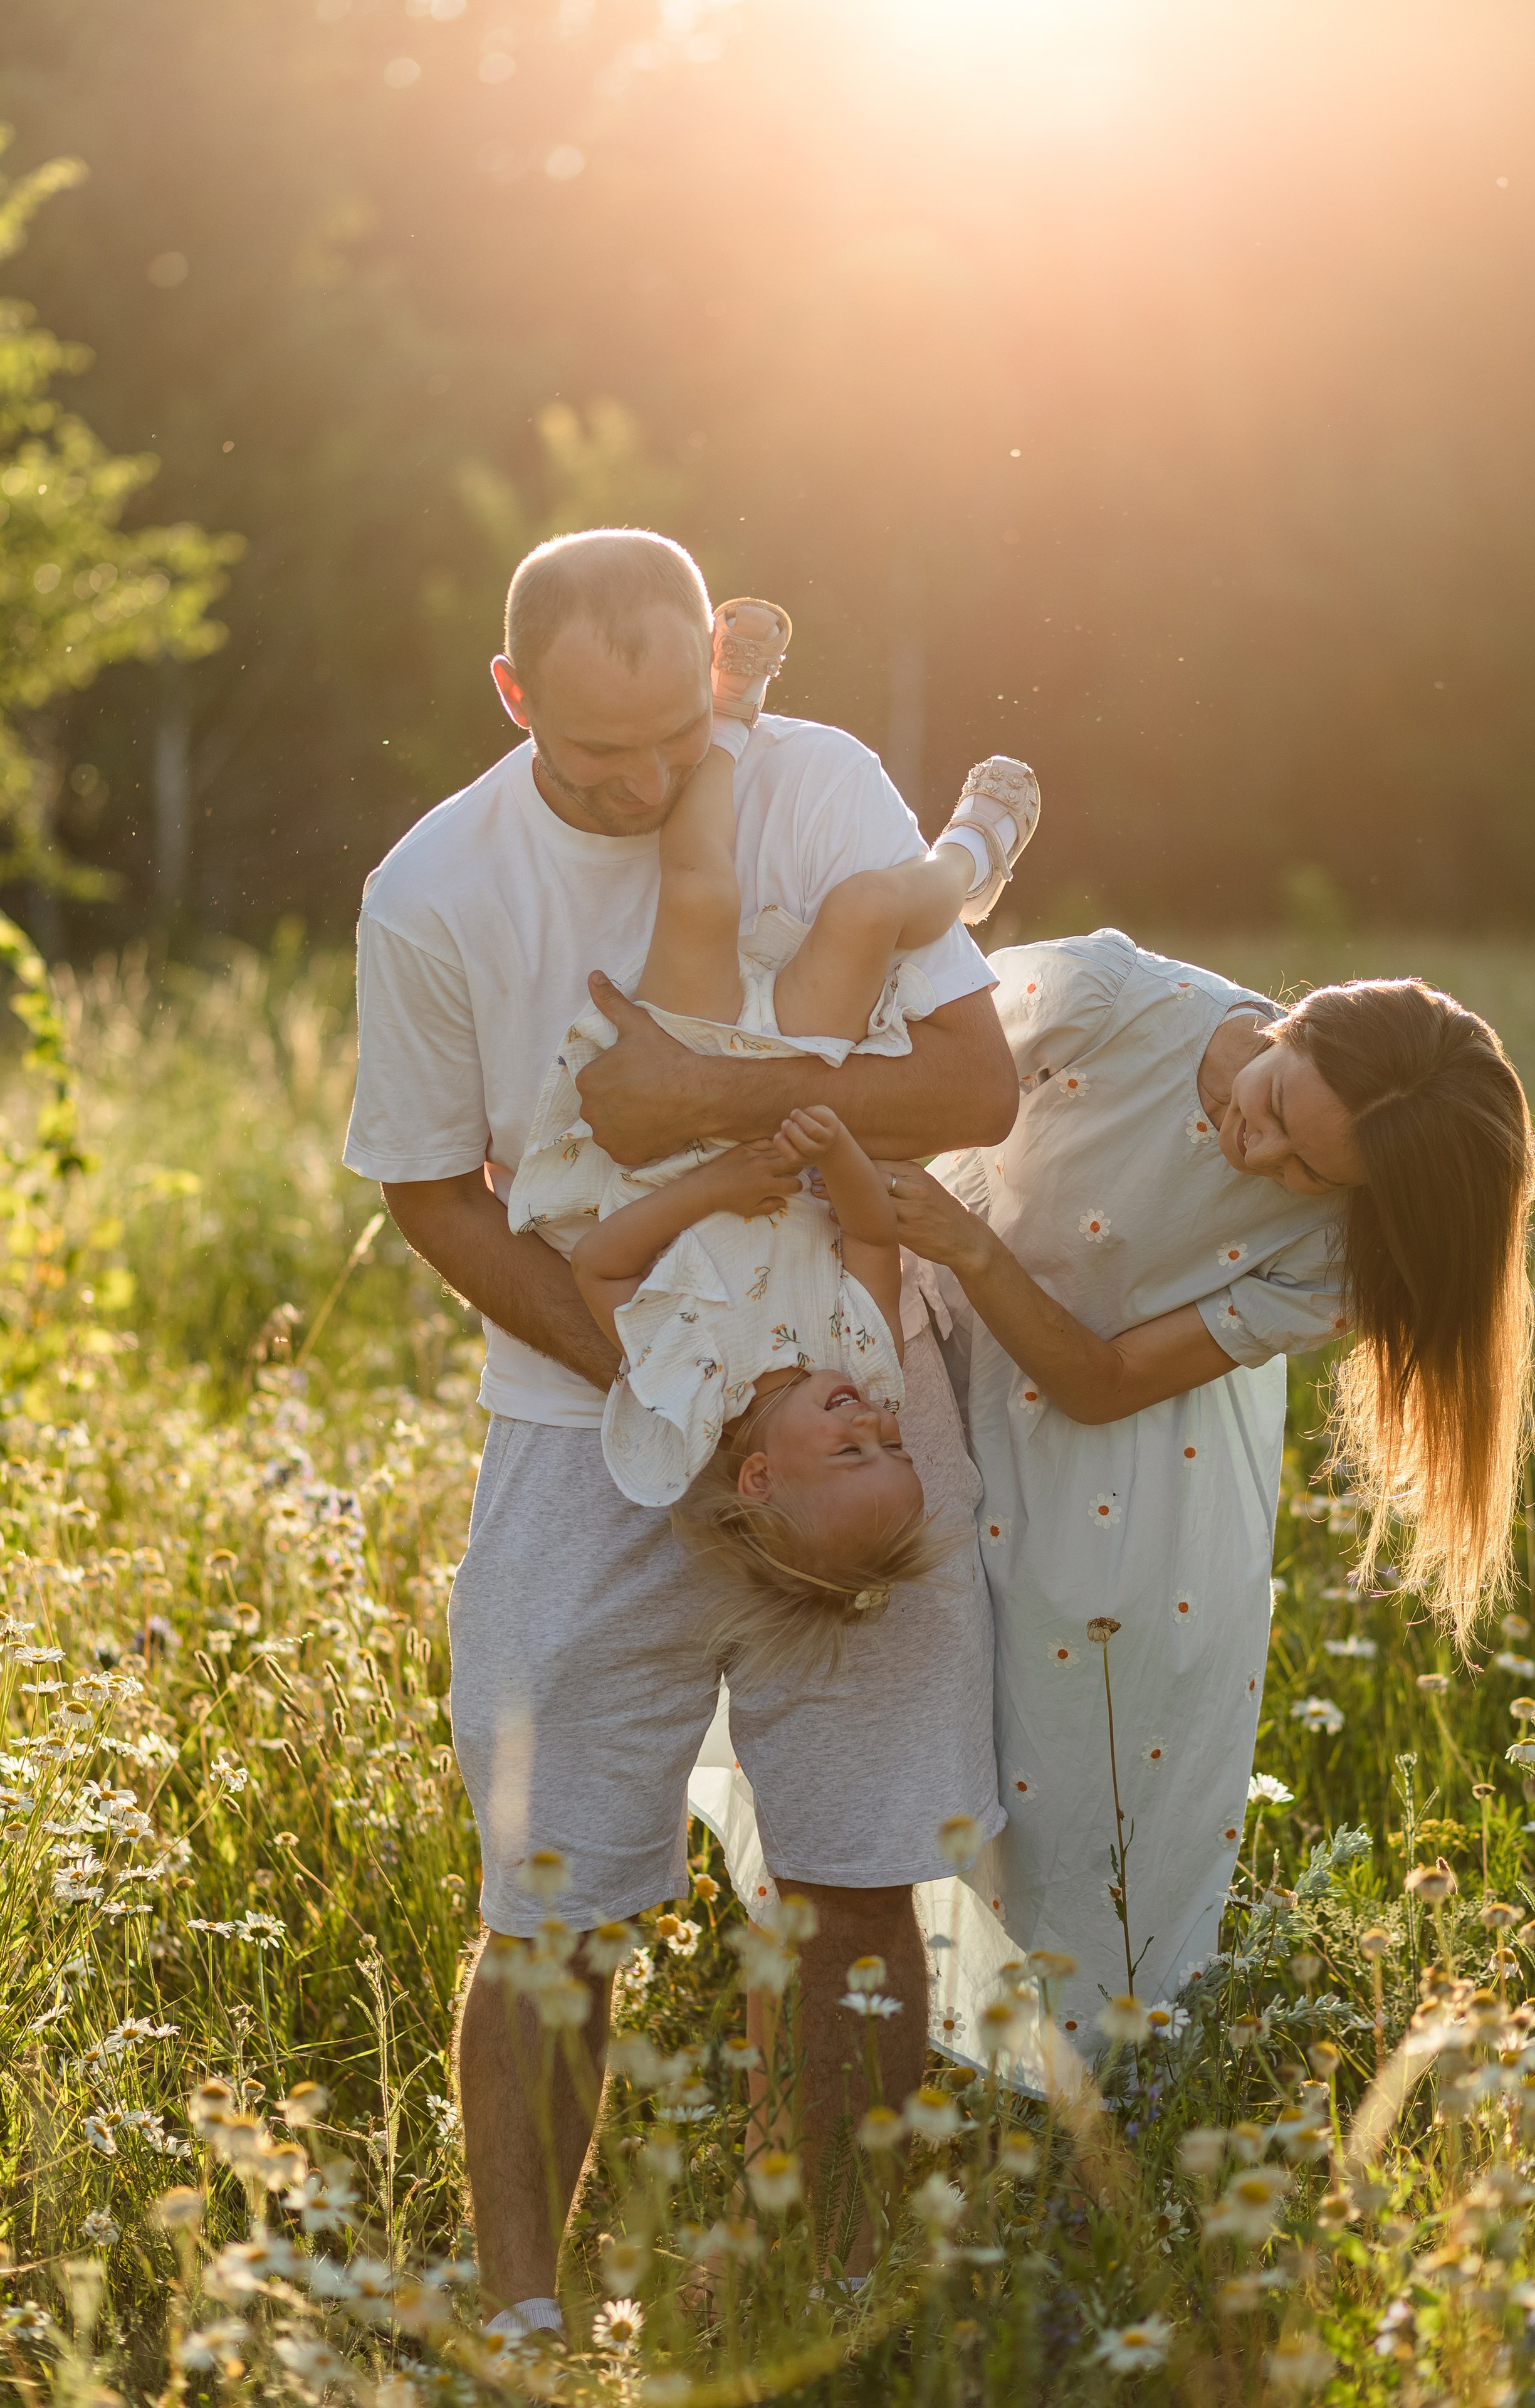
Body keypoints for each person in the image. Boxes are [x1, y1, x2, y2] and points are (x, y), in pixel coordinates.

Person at [340, 530, 1018, 2335]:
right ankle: (521, 2318)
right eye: (592, 757)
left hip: (852, 1413)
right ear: (511, 698)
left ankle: (844, 2285)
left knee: (860, 1876)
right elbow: (429, 1189)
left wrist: (709, 1099)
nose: (644, 786)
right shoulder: (432, 893)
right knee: (551, 1898)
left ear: (719, 670)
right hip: (586, 1434)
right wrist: (638, 1368)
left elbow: (969, 1085)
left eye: (673, 738)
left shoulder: (815, 783)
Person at [879, 929, 1535, 2051]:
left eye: (1307, 1169)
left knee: (1087, 1801)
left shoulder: (1343, 1246)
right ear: (1299, 1018)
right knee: (897, 1731)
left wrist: (971, 1242)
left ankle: (1086, 2122)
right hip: (937, 1375)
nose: (1256, 1147)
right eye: (1275, 1100)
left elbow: (1107, 1380)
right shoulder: (1107, 1000)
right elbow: (896, 1055)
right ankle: (890, 2039)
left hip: (1138, 1484)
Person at [513, 596, 1042, 1663]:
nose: (876, 1422)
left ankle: (729, 713)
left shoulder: (684, 1387)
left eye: (854, 1453)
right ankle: (972, 862)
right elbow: (870, 1239)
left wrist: (717, 1186)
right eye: (895, 1444)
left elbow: (603, 1268)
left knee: (699, 894)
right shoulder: (866, 1359)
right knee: (859, 912)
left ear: (758, 1477)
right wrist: (834, 1147)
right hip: (799, 1076)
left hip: (681, 1099)